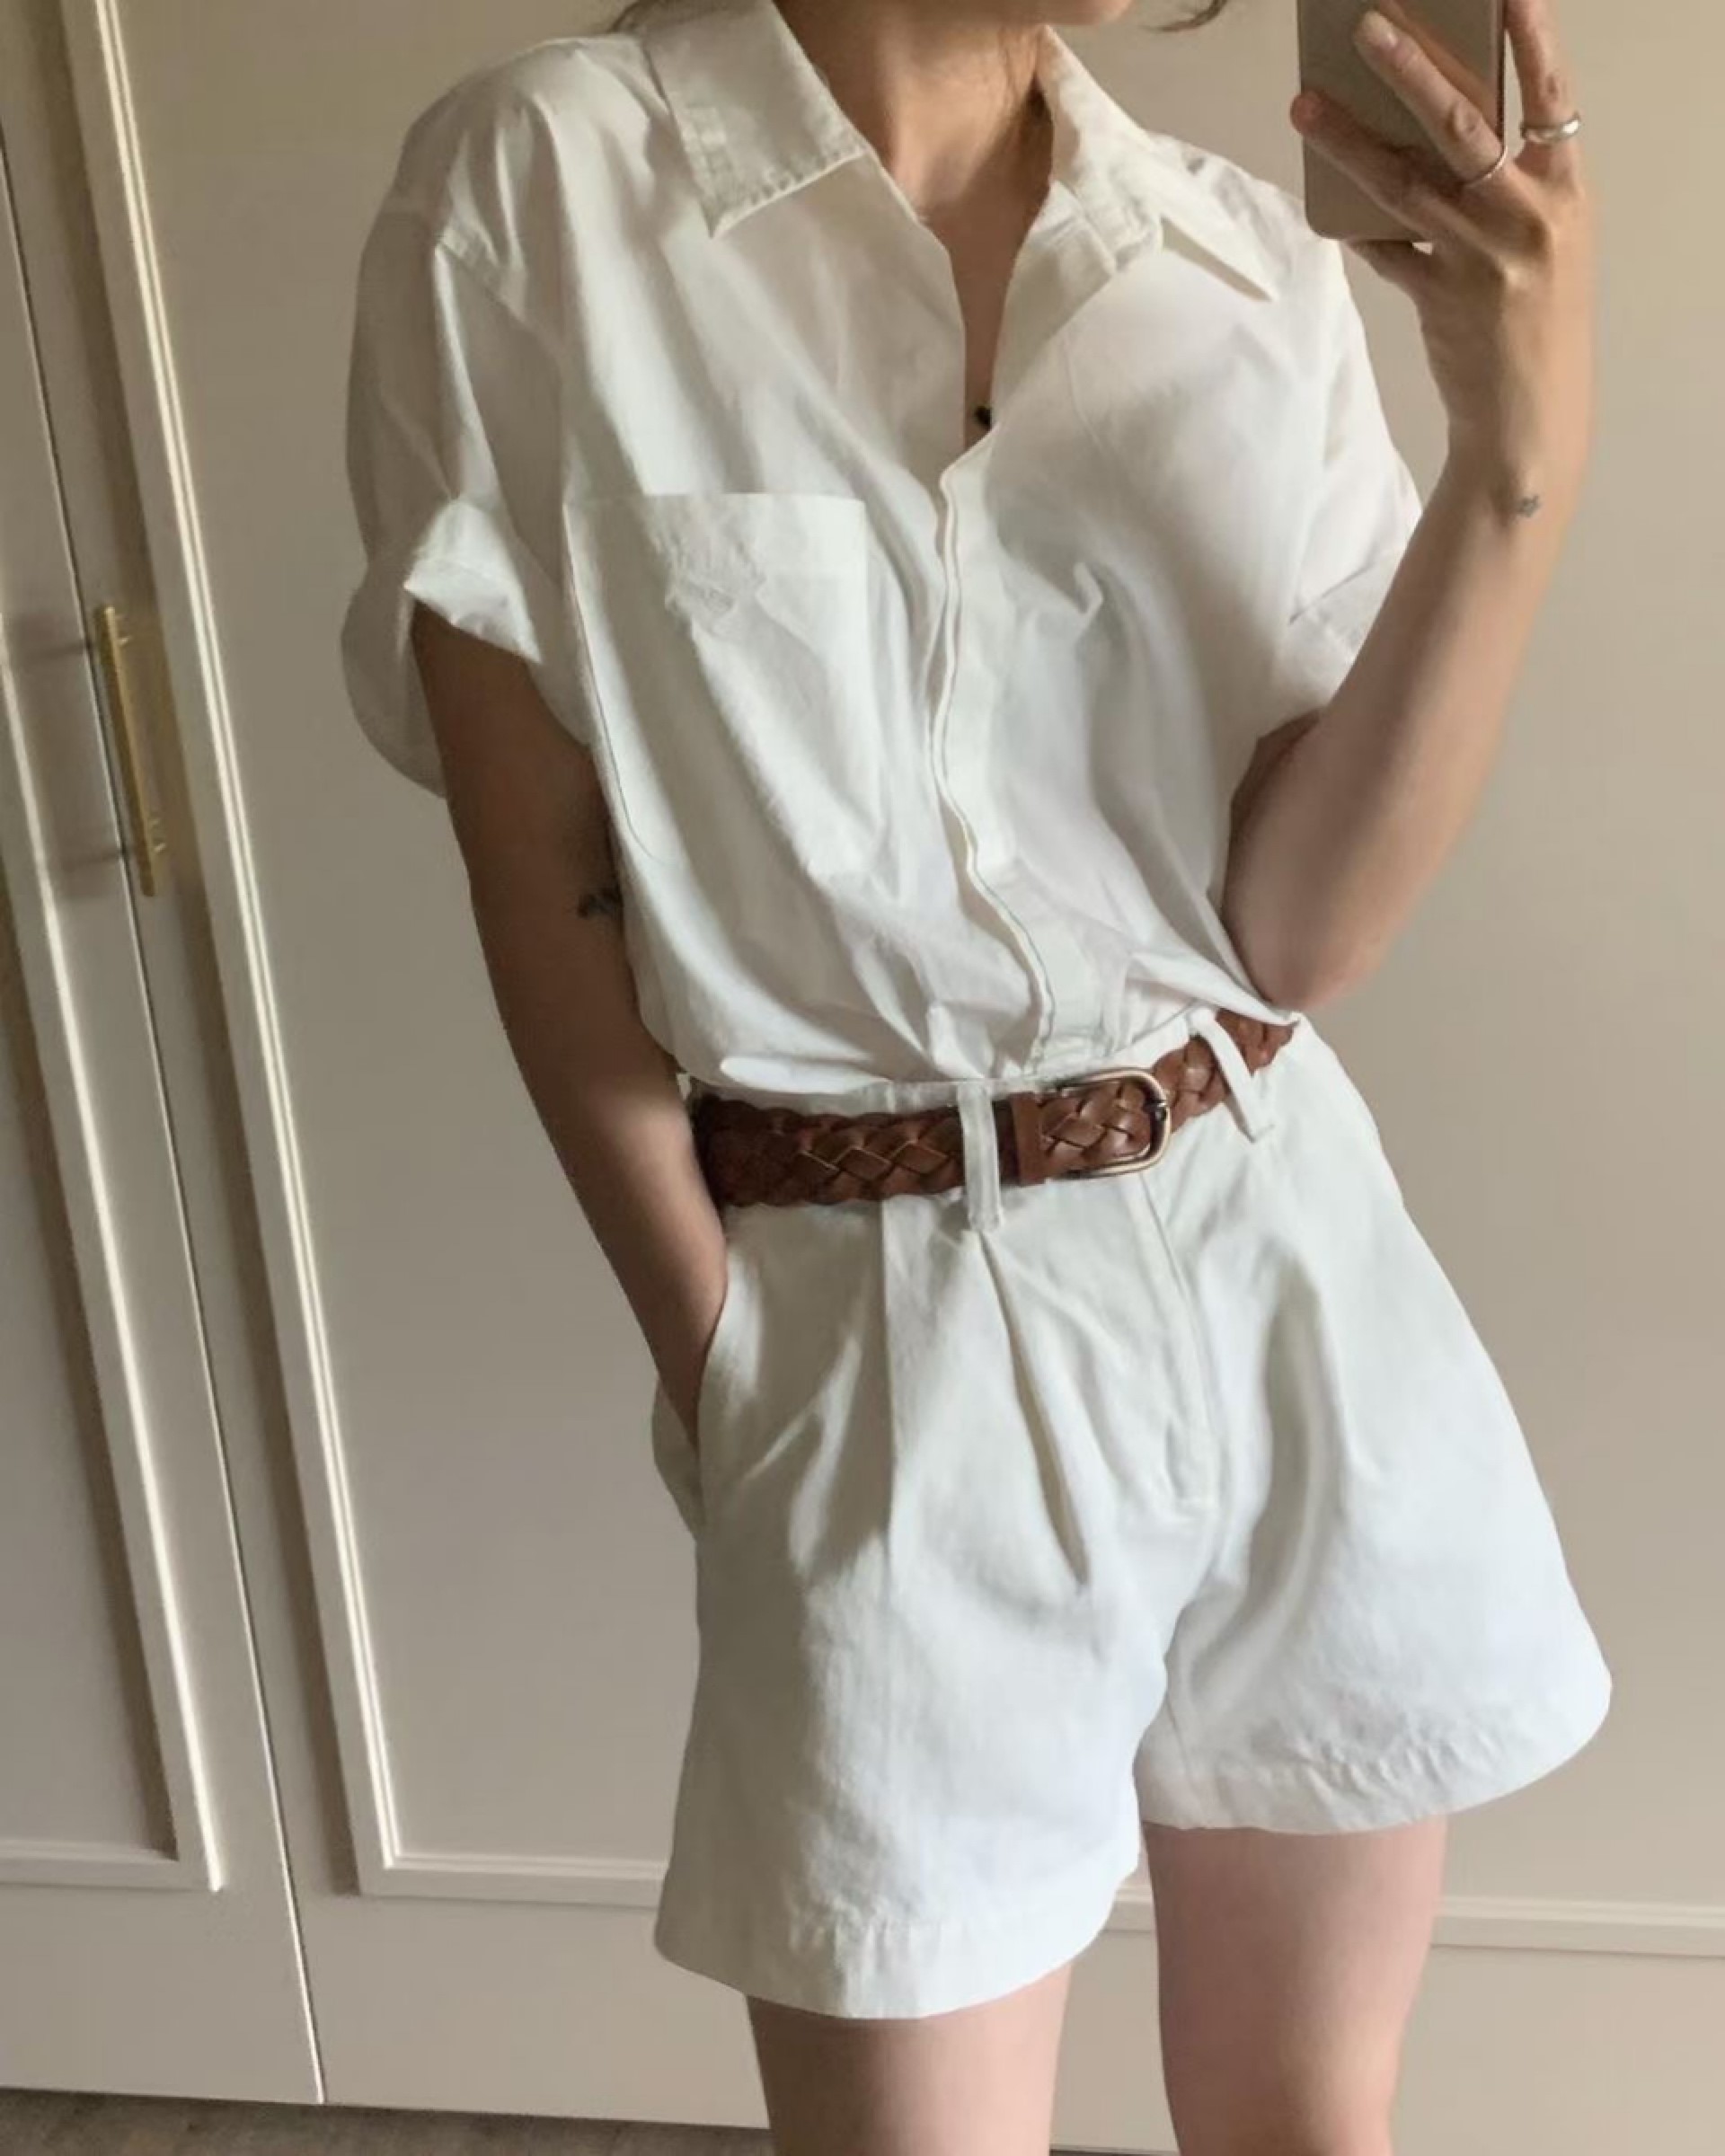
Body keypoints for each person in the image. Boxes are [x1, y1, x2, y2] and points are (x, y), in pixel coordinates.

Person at [339, 0, 1610, 2148]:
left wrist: (1516, 450)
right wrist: (728, 1354)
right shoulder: (541, 190)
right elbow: (543, 879)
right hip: (878, 1326)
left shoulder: (1234, 258)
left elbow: (1301, 934)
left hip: (1286, 1263)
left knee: (1312, 2118)